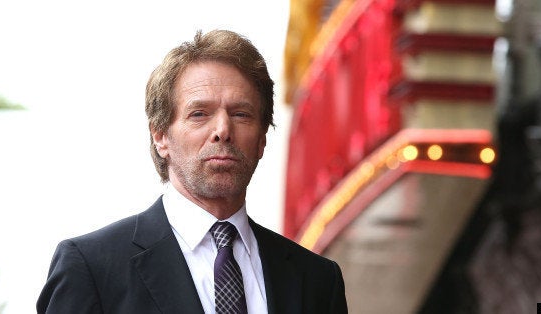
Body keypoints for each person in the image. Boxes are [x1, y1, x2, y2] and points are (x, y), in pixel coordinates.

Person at [37, 29, 347, 314]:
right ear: (161, 137)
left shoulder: (318, 279)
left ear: (262, 139)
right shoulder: (91, 267)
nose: (223, 130)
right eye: (199, 114)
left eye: (241, 114)